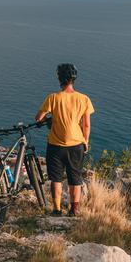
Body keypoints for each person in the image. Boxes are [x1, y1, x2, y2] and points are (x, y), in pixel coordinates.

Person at [35, 63, 94, 217]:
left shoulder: (53, 98)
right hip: (76, 144)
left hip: (55, 145)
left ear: (60, 79)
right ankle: (74, 210)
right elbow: (86, 125)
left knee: (56, 178)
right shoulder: (84, 99)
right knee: (75, 178)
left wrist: (49, 120)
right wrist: (85, 142)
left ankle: (56, 209)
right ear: (73, 79)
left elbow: (38, 118)